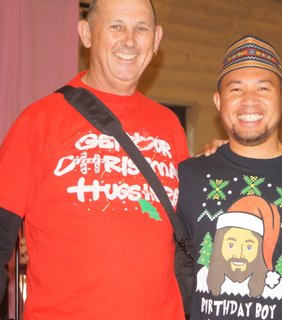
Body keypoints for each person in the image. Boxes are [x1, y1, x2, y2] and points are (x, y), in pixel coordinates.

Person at [0, 0, 189, 318]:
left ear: (156, 40)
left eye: (141, 28)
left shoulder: (169, 126)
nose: (129, 39)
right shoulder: (39, 122)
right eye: (116, 26)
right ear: (86, 34)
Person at [176, 35, 282, 320]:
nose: (249, 101)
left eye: (264, 88)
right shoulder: (187, 178)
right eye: (236, 89)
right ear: (219, 101)